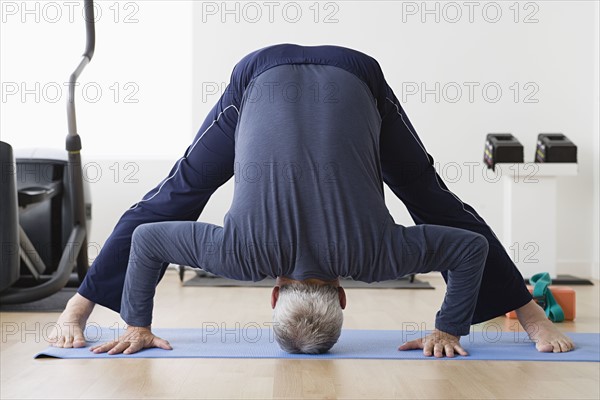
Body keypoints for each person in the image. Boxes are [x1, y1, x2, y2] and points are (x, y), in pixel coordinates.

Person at [48, 44, 574, 357]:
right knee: (173, 199)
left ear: (343, 297)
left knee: (436, 205)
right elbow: (151, 238)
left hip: (354, 76)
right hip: (262, 74)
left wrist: (447, 329)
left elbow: (464, 248)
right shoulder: (240, 259)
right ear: (273, 296)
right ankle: (75, 313)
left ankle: (533, 320)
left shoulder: (376, 261)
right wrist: (138, 322)